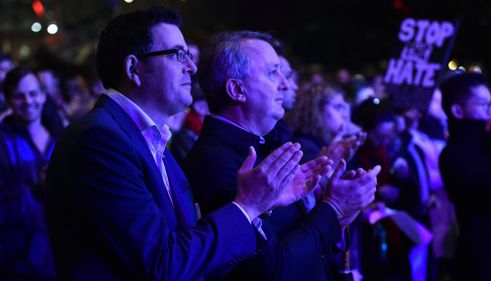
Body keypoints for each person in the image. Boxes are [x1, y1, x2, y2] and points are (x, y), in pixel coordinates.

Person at [45, 7, 307, 281]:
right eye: (178, 55)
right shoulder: (100, 139)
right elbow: (161, 264)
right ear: (134, 68)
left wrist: (264, 203)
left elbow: (190, 250)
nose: (192, 67)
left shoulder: (151, 141)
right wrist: (248, 206)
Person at [184, 31, 380, 281]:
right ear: (236, 89)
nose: (285, 85)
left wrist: (337, 215)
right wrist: (332, 208)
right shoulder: (214, 162)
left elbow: (302, 243)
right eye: (272, 73)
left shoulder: (261, 148)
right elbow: (274, 268)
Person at [439, 71, 491, 281]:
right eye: (483, 105)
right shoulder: (454, 154)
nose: (490, 112)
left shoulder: (489, 143)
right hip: (484, 262)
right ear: (457, 110)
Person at [0, 66, 56, 280]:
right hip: (15, 264)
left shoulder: (60, 138)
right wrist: (36, 191)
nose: (28, 101)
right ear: (8, 100)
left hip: (56, 259)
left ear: (43, 96)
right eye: (19, 96)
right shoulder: (3, 143)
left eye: (33, 94)